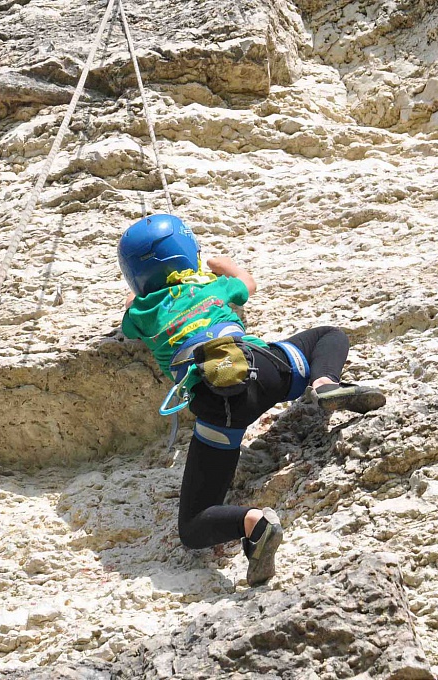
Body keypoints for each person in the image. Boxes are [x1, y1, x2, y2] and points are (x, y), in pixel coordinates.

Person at [118, 214, 385, 585]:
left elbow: (129, 312)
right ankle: (324, 383)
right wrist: (219, 265)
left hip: (219, 406)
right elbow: (247, 283)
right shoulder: (212, 288)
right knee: (328, 335)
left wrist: (140, 294)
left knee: (194, 525)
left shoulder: (143, 311)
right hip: (263, 367)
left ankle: (254, 524)